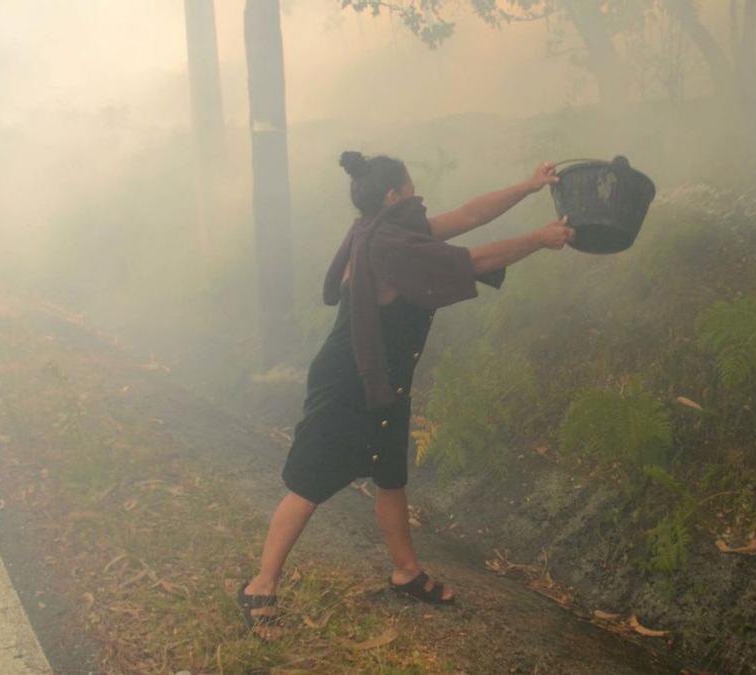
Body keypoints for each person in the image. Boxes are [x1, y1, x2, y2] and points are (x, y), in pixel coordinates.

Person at [237, 150, 574, 638]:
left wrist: (528, 186)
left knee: (390, 476)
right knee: (309, 482)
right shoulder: (390, 245)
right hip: (348, 380)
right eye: (412, 187)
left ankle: (405, 573)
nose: (419, 195)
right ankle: (260, 586)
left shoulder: (389, 230)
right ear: (393, 195)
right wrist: (541, 239)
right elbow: (473, 259)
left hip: (382, 377)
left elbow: (469, 216)